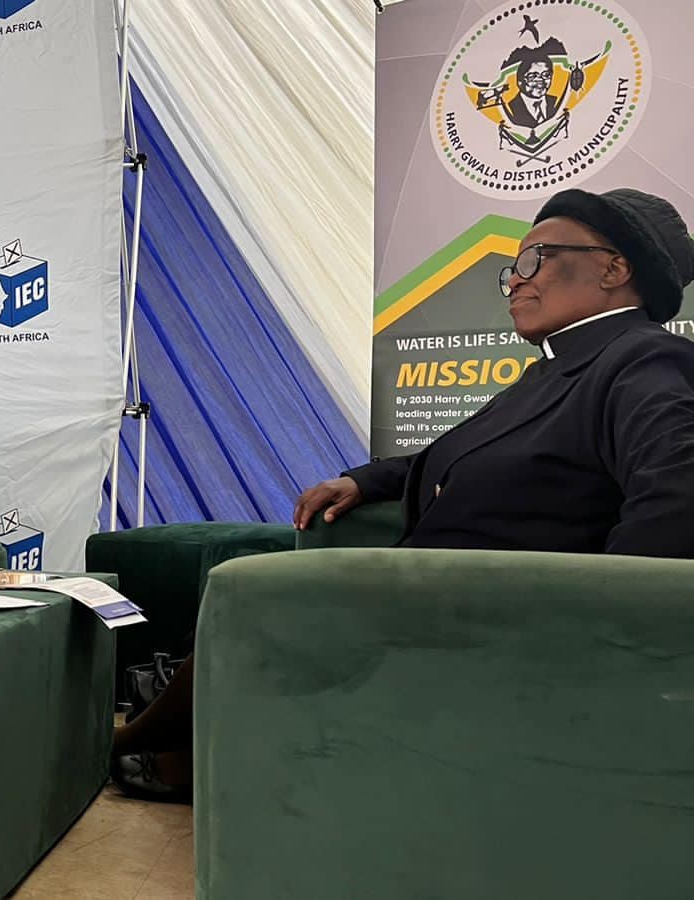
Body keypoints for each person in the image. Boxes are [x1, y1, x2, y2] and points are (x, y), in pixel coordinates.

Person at [112, 187, 694, 802]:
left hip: (503, 624)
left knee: (260, 595)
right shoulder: (555, 370)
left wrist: (603, 636)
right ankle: (176, 743)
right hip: (437, 604)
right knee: (262, 595)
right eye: (511, 269)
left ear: (614, 269)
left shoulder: (646, 360)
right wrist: (363, 480)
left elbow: (675, 499)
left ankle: (129, 748)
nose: (515, 281)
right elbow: (465, 454)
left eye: (535, 259)